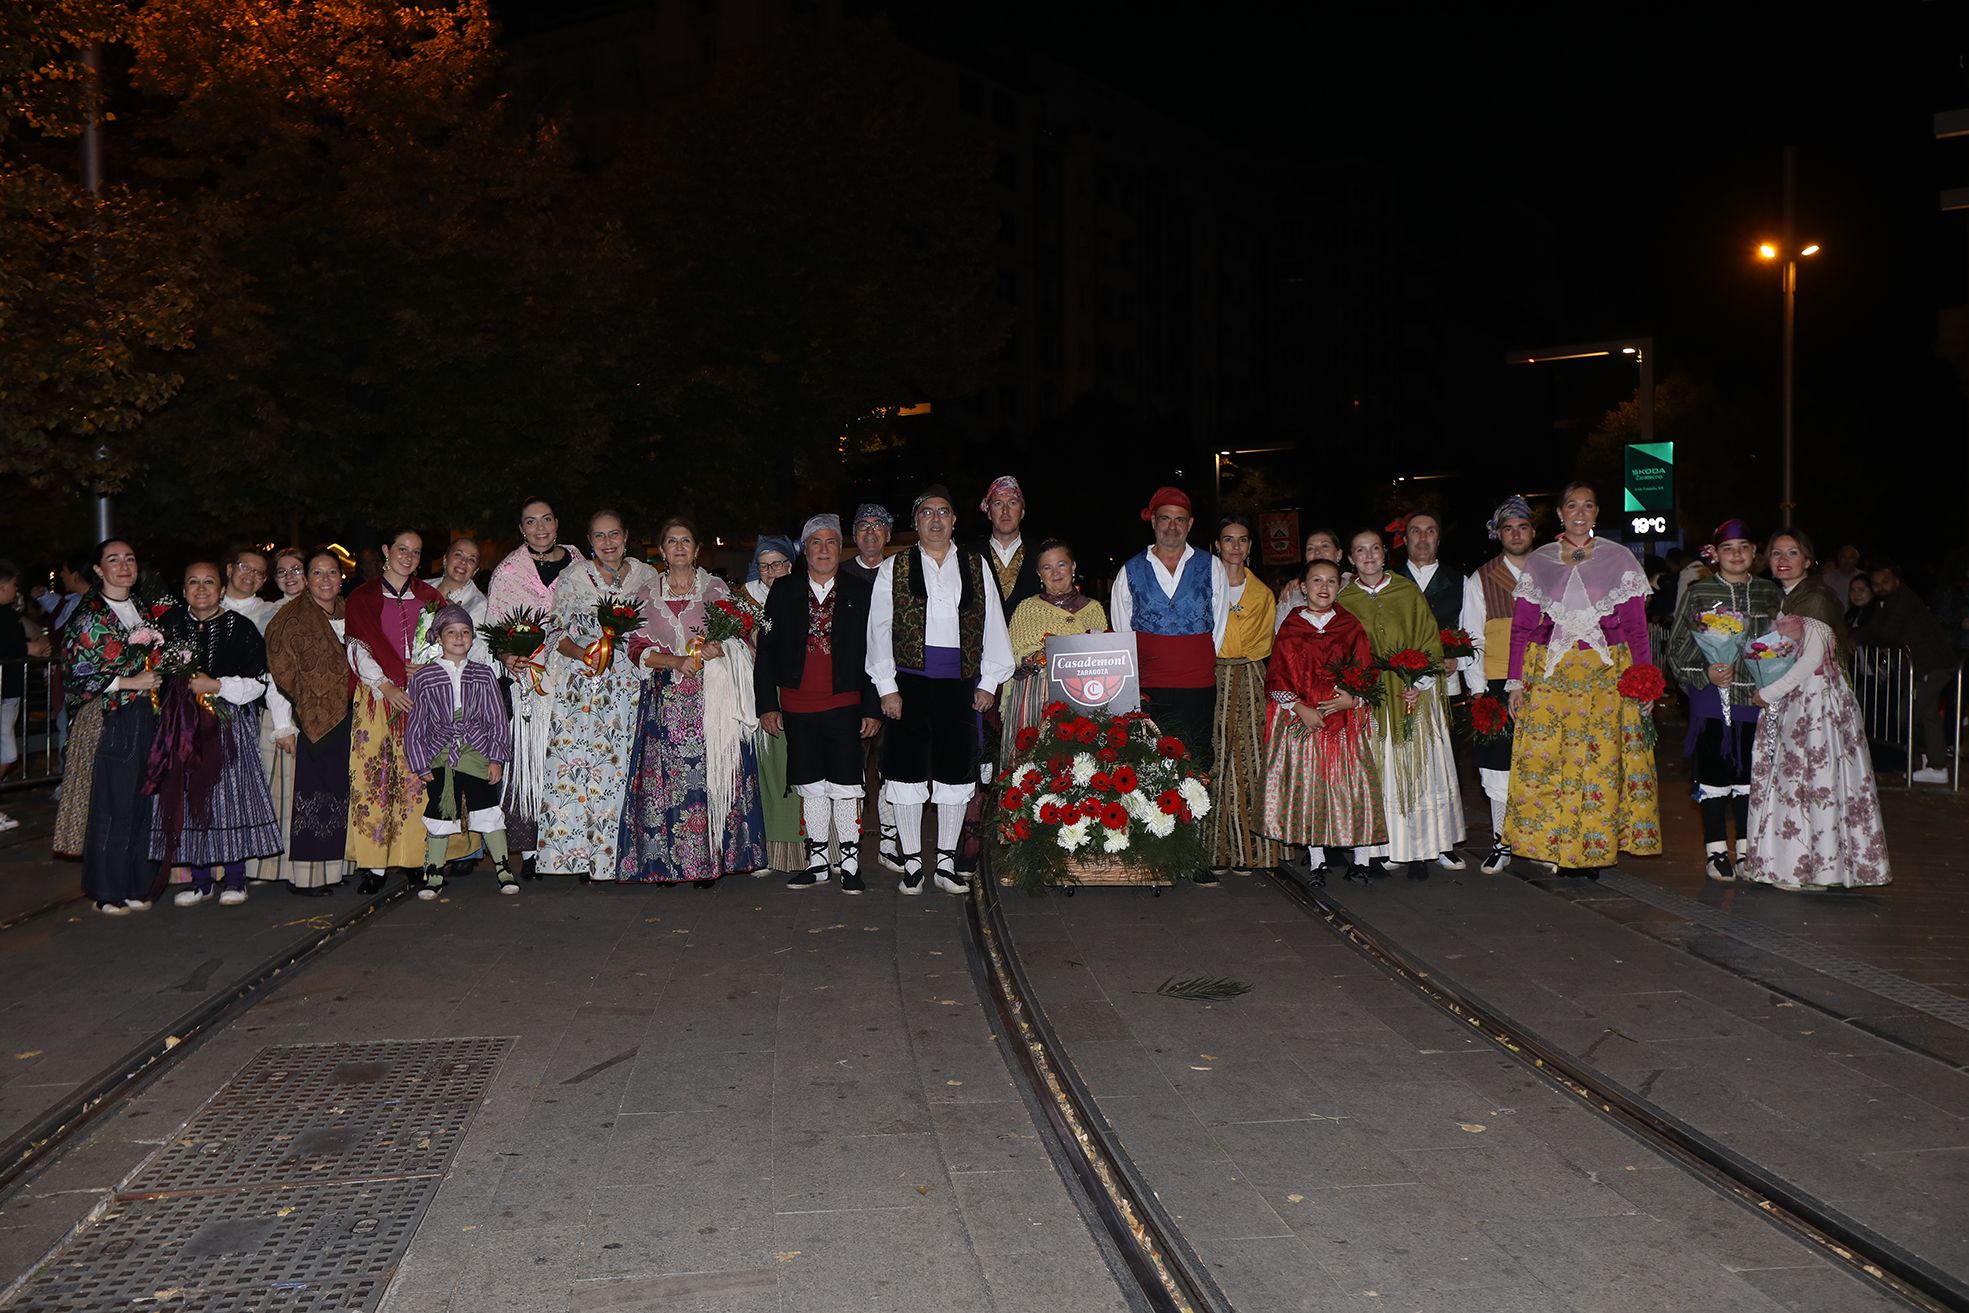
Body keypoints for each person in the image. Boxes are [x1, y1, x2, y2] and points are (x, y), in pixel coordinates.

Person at [1505, 481, 1661, 875]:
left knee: (1599, 764)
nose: (1579, 512)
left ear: (1596, 513)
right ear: (1559, 513)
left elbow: (1637, 629)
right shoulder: (1539, 560)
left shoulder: (1620, 558)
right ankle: (1554, 847)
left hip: (1605, 674)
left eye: (1588, 506)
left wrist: (1645, 680)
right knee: (1549, 762)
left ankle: (1591, 850)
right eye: (1571, 505)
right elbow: (1522, 628)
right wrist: (1515, 682)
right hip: (1551, 675)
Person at [867, 486, 1014, 894]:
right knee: (906, 772)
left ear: (954, 521)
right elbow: (879, 631)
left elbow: (992, 625)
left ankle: (946, 865)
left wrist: (987, 682)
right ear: (915, 523)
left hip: (960, 684)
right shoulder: (893, 568)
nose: (935, 519)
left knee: (954, 773)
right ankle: (913, 862)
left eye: (943, 512)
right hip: (909, 683)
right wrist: (887, 687)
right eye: (926, 513)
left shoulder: (975, 564)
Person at [616, 516, 766, 884]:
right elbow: (634, 647)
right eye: (671, 541)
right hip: (665, 700)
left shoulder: (716, 590)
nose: (679, 547)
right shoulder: (645, 594)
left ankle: (709, 863)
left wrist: (722, 648)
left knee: (710, 776)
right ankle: (664, 865)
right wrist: (676, 661)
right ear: (662, 550)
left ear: (697, 549)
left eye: (686, 541)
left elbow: (743, 636)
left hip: (711, 700)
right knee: (664, 781)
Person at [1110, 485, 1228, 887]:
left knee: (1195, 762)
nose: (1173, 527)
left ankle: (1192, 852)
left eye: (1180, 519)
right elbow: (1122, 630)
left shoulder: (1211, 567)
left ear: (1190, 524)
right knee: (1150, 764)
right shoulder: (1130, 570)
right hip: (1149, 686)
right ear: (1153, 521)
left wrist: (1193, 661)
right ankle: (1150, 850)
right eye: (1165, 518)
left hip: (1196, 682)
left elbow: (1219, 626)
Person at [756, 515, 881, 891]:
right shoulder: (784, 590)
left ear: (839, 548)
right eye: (815, 542)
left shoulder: (860, 591)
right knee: (808, 784)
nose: (823, 549)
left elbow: (877, 653)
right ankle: (817, 863)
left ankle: (851, 865)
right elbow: (767, 652)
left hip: (845, 702)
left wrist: (872, 707)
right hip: (796, 704)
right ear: (804, 549)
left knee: (845, 786)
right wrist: (767, 704)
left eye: (830, 542)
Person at [151, 562, 283, 907]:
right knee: (188, 795)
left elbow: (260, 682)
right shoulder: (169, 626)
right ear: (183, 590)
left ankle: (235, 878)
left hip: (226, 724)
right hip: (180, 726)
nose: (201, 588)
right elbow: (154, 674)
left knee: (228, 800)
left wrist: (218, 686)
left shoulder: (240, 628)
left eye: (209, 582)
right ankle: (200, 880)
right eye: (192, 582)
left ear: (221, 589)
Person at [538, 510, 659, 880]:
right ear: (589, 541)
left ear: (626, 536)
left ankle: (623, 858)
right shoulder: (572, 577)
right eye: (599, 536)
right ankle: (580, 856)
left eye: (614, 535)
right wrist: (583, 653)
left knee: (624, 768)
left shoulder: (647, 576)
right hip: (586, 685)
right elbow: (555, 633)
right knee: (583, 767)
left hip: (632, 682)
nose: (608, 543)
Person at [1339, 528, 1465, 877]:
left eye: (1375, 549)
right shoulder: (1346, 600)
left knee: (1420, 772)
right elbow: (1340, 653)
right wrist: (1356, 687)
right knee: (1381, 775)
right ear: (1350, 558)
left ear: (1385, 554)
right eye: (1360, 550)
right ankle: (1383, 849)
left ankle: (1427, 848)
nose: (1368, 556)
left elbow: (1428, 640)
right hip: (1372, 699)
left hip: (1412, 694)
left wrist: (1419, 683)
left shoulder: (1407, 592)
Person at [1666, 519, 1784, 881]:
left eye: (1744, 547)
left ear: (1755, 553)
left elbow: (1783, 642)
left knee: (1751, 776)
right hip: (1711, 698)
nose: (1737, 555)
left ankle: (1749, 852)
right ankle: (1716, 851)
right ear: (1714, 555)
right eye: (1728, 549)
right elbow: (1677, 649)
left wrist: (1774, 676)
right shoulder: (1700, 592)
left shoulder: (1769, 593)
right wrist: (1705, 675)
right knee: (1714, 776)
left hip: (1754, 697)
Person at [1741, 611, 1890, 891]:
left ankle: (1812, 867)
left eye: (1791, 561)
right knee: (1800, 783)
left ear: (1808, 563)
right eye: (1776, 561)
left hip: (1815, 703)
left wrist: (1770, 691)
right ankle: (1807, 864)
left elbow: (1810, 661)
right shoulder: (1789, 601)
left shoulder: (1815, 602)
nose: (1782, 563)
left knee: (1815, 781)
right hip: (1800, 701)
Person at [1260, 559, 1385, 882]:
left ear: (1339, 586)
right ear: (1303, 586)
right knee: (1311, 789)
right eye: (1316, 581)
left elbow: (1366, 671)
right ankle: (1317, 860)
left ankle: (1360, 859)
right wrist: (1299, 707)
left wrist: (1353, 698)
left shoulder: (1349, 625)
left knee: (1352, 788)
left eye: (1331, 581)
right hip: (1307, 723)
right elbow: (1277, 677)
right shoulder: (1291, 626)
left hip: (1344, 723)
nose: (1324, 587)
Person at [343, 526, 447, 895]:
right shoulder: (362, 597)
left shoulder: (431, 596)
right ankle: (374, 865)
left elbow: (449, 640)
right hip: (376, 697)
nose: (408, 556)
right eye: (402, 549)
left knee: (417, 780)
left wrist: (430, 664)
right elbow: (357, 648)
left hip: (420, 700)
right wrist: (387, 684)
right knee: (375, 778)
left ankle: (416, 858)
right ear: (386, 550)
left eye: (416, 552)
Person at [65, 540, 164, 912]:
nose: (123, 566)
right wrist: (127, 682)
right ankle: (106, 891)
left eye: (130, 559)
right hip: (113, 716)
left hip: (147, 714)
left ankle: (138, 884)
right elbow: (77, 673)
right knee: (112, 804)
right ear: (98, 570)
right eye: (113, 560)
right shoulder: (90, 614)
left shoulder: (140, 609)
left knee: (144, 801)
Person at [485, 496, 584, 867]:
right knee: (530, 763)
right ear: (521, 528)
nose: (540, 528)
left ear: (557, 523)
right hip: (529, 681)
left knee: (571, 759)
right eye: (531, 522)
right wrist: (506, 655)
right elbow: (494, 629)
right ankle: (530, 850)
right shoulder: (508, 572)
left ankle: (573, 845)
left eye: (546, 520)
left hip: (575, 675)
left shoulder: (579, 562)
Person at [406, 605, 515, 898]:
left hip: (477, 750)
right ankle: (435, 872)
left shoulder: (484, 673)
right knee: (442, 809)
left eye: (465, 632)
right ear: (438, 638)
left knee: (487, 807)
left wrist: (496, 758)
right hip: (441, 752)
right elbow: (416, 723)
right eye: (451, 632)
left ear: (472, 638)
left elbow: (497, 719)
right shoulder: (424, 677)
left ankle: (503, 867)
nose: (459, 637)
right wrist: (420, 763)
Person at [264, 550, 357, 896]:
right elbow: (277, 676)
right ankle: (306, 877)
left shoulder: (351, 610)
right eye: (317, 573)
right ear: (308, 579)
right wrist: (284, 726)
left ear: (340, 577)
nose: (325, 580)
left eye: (332, 572)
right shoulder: (289, 619)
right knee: (312, 797)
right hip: (310, 718)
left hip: (348, 716)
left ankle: (336, 869)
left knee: (340, 794)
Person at [1461, 495, 1538, 874]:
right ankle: (1502, 841)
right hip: (1495, 682)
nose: (1516, 534)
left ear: (1533, 531)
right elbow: (1472, 635)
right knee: (1497, 767)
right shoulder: (1482, 578)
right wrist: (1477, 691)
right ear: (1499, 534)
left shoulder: (1550, 571)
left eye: (1522, 526)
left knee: (1544, 762)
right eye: (1508, 528)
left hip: (1545, 682)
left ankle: (1541, 841)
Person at [1207, 515, 1280, 877]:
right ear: (1217, 545)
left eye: (1242, 540)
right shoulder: (1203, 586)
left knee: (1250, 758)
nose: (1235, 546)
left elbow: (1261, 642)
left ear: (1250, 547)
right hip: (1212, 673)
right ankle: (1213, 851)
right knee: (1214, 758)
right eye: (1228, 539)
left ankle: (1251, 851)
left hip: (1249, 674)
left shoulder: (1262, 593)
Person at [1000, 538, 1108, 767]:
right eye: (1047, 567)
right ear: (1039, 574)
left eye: (1061, 564)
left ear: (1073, 566)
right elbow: (1012, 660)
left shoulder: (1093, 609)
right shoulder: (1027, 609)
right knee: (1030, 770)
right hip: (1034, 700)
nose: (1055, 572)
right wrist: (1041, 655)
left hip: (1082, 699)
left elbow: (1105, 661)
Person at [843, 503, 903, 871]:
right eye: (863, 525)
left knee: (892, 766)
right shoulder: (839, 574)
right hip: (850, 685)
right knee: (850, 768)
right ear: (854, 535)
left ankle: (891, 840)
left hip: (894, 683)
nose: (870, 532)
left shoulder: (901, 572)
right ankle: (845, 844)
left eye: (878, 526)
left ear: (888, 534)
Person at [247, 547, 311, 887]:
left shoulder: (330, 610)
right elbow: (271, 672)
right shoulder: (269, 615)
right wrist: (284, 724)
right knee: (278, 797)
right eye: (282, 572)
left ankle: (314, 866)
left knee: (312, 793)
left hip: (320, 715)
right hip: (281, 713)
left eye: (296, 569)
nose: (290, 577)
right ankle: (272, 867)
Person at [1860, 560, 1957, 784]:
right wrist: (1853, 637)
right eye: (1875, 583)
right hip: (1923, 665)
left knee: (1919, 712)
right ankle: (1929, 759)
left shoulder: (1902, 599)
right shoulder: (1887, 602)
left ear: (1896, 580)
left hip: (1932, 664)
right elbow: (1875, 629)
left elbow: (1886, 633)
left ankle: (1937, 765)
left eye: (1885, 581)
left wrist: (1866, 638)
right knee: (1914, 713)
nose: (1880, 587)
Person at [743, 535, 803, 874]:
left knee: (802, 767)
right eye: (765, 565)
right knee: (766, 770)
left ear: (790, 566)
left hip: (799, 690)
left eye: (778, 564)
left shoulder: (803, 593)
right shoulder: (745, 600)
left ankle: (814, 848)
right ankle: (768, 851)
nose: (771, 572)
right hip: (762, 692)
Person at [0, 561, 49, 830]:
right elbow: (14, 646)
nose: (16, 591)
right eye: (14, 585)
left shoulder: (8, 614)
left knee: (6, 752)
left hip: (8, 692)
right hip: (5, 692)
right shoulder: (5, 616)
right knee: (6, 753)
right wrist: (30, 647)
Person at [1769, 529, 1850, 670]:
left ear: (1807, 561)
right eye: (1776, 553)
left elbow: (1813, 659)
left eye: (1792, 552)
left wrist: (1767, 692)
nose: (1782, 559)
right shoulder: (1778, 598)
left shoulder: (1815, 599)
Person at [1396, 512, 1463, 675]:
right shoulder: (1390, 581)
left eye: (1430, 531)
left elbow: (1471, 630)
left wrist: (1459, 660)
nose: (1423, 538)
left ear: (1438, 541)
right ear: (1405, 540)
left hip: (1445, 677)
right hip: (1398, 679)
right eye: (1415, 531)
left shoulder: (1460, 582)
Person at [427, 537, 493, 667]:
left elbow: (480, 656)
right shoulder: (421, 588)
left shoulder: (480, 606)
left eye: (471, 560)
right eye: (458, 555)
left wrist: (459, 620)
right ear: (445, 559)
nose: (463, 562)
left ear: (475, 571)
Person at [980, 476, 1042, 613]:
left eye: (1012, 503)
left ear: (1022, 512)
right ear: (989, 512)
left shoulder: (1041, 554)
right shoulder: (970, 555)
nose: (1005, 511)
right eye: (998, 503)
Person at [1275, 527, 1346, 624]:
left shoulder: (1354, 588)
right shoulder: (1293, 594)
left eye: (1324, 546)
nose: (1317, 552)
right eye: (1310, 548)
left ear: (1339, 554)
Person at [221, 547, 276, 631]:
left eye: (258, 572)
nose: (251, 574)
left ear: (263, 580)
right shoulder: (206, 606)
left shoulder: (271, 613)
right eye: (245, 567)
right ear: (230, 569)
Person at [1821, 544, 1863, 610]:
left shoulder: (1863, 578)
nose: (1847, 561)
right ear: (1838, 559)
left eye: (1851, 558)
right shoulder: (1827, 578)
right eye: (1844, 557)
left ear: (1856, 560)